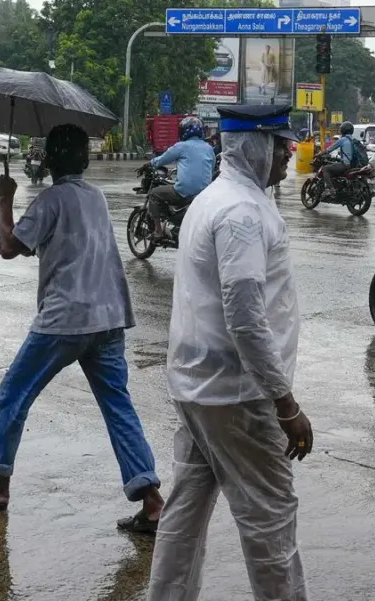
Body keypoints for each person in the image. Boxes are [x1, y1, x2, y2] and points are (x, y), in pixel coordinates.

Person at [0, 123, 165, 533]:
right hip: (109, 318)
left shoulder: (51, 199)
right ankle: (152, 501)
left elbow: (9, 247)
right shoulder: (97, 197)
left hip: (66, 318)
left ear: (49, 159)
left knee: (14, 394)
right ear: (85, 160)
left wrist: (5, 200)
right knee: (118, 407)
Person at [147, 104, 312, 601]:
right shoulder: (241, 213)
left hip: (199, 388)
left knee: (186, 510)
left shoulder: (215, 198)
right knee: (270, 520)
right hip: (238, 397)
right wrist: (286, 402)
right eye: (280, 143)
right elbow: (245, 314)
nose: (288, 152)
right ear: (256, 146)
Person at [145, 116, 215, 238]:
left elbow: (162, 159)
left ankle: (158, 231)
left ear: (184, 131)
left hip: (184, 192)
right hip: (204, 193)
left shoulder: (181, 146)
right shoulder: (209, 149)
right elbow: (212, 168)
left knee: (155, 193)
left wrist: (149, 164)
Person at [320, 120, 357, 200]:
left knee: (325, 169)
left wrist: (319, 154)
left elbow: (329, 149)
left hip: (345, 165)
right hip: (354, 165)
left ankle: (330, 189)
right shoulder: (354, 140)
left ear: (343, 130)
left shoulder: (343, 139)